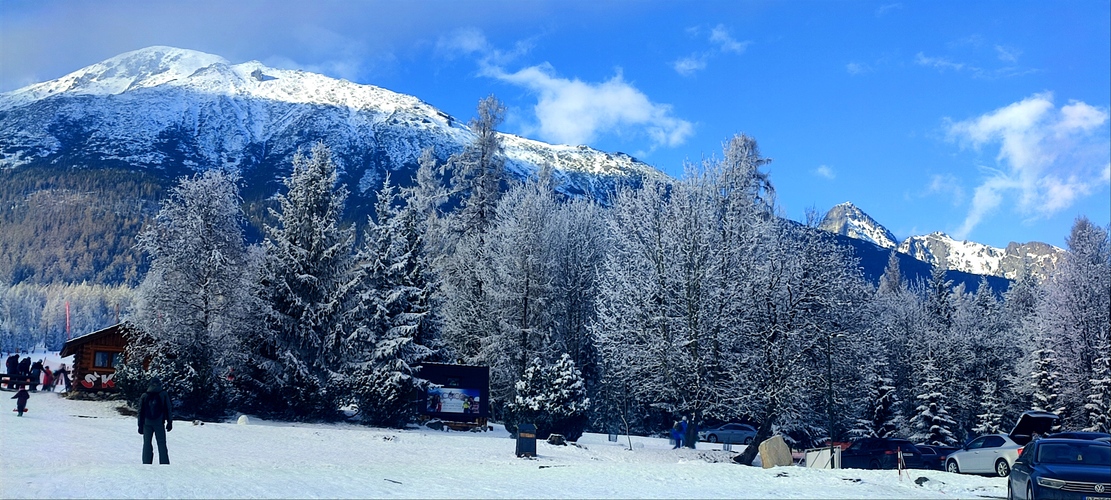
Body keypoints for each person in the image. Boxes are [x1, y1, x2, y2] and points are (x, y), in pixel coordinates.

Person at [137, 377, 173, 465]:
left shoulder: (145, 395)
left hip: (147, 423)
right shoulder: (163, 394)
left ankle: (146, 462)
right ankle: (164, 463)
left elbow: (140, 411)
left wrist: (140, 425)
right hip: (159, 423)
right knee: (161, 443)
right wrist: (169, 422)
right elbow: (168, 409)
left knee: (147, 443)